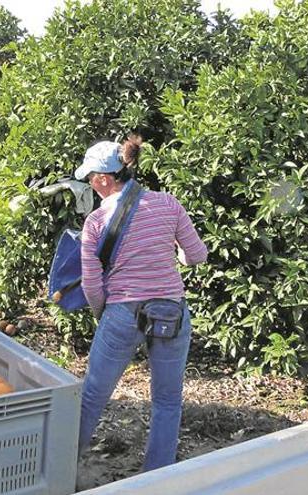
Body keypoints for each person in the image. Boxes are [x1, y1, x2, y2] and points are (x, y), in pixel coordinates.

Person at [74, 134, 208, 480]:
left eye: (90, 178)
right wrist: (176, 252)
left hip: (122, 311)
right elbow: (196, 255)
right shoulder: (168, 204)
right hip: (170, 312)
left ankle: (63, 465)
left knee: (92, 395)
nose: (90, 184)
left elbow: (91, 284)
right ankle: (157, 477)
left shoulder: (96, 222)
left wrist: (102, 313)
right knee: (167, 401)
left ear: (104, 179)